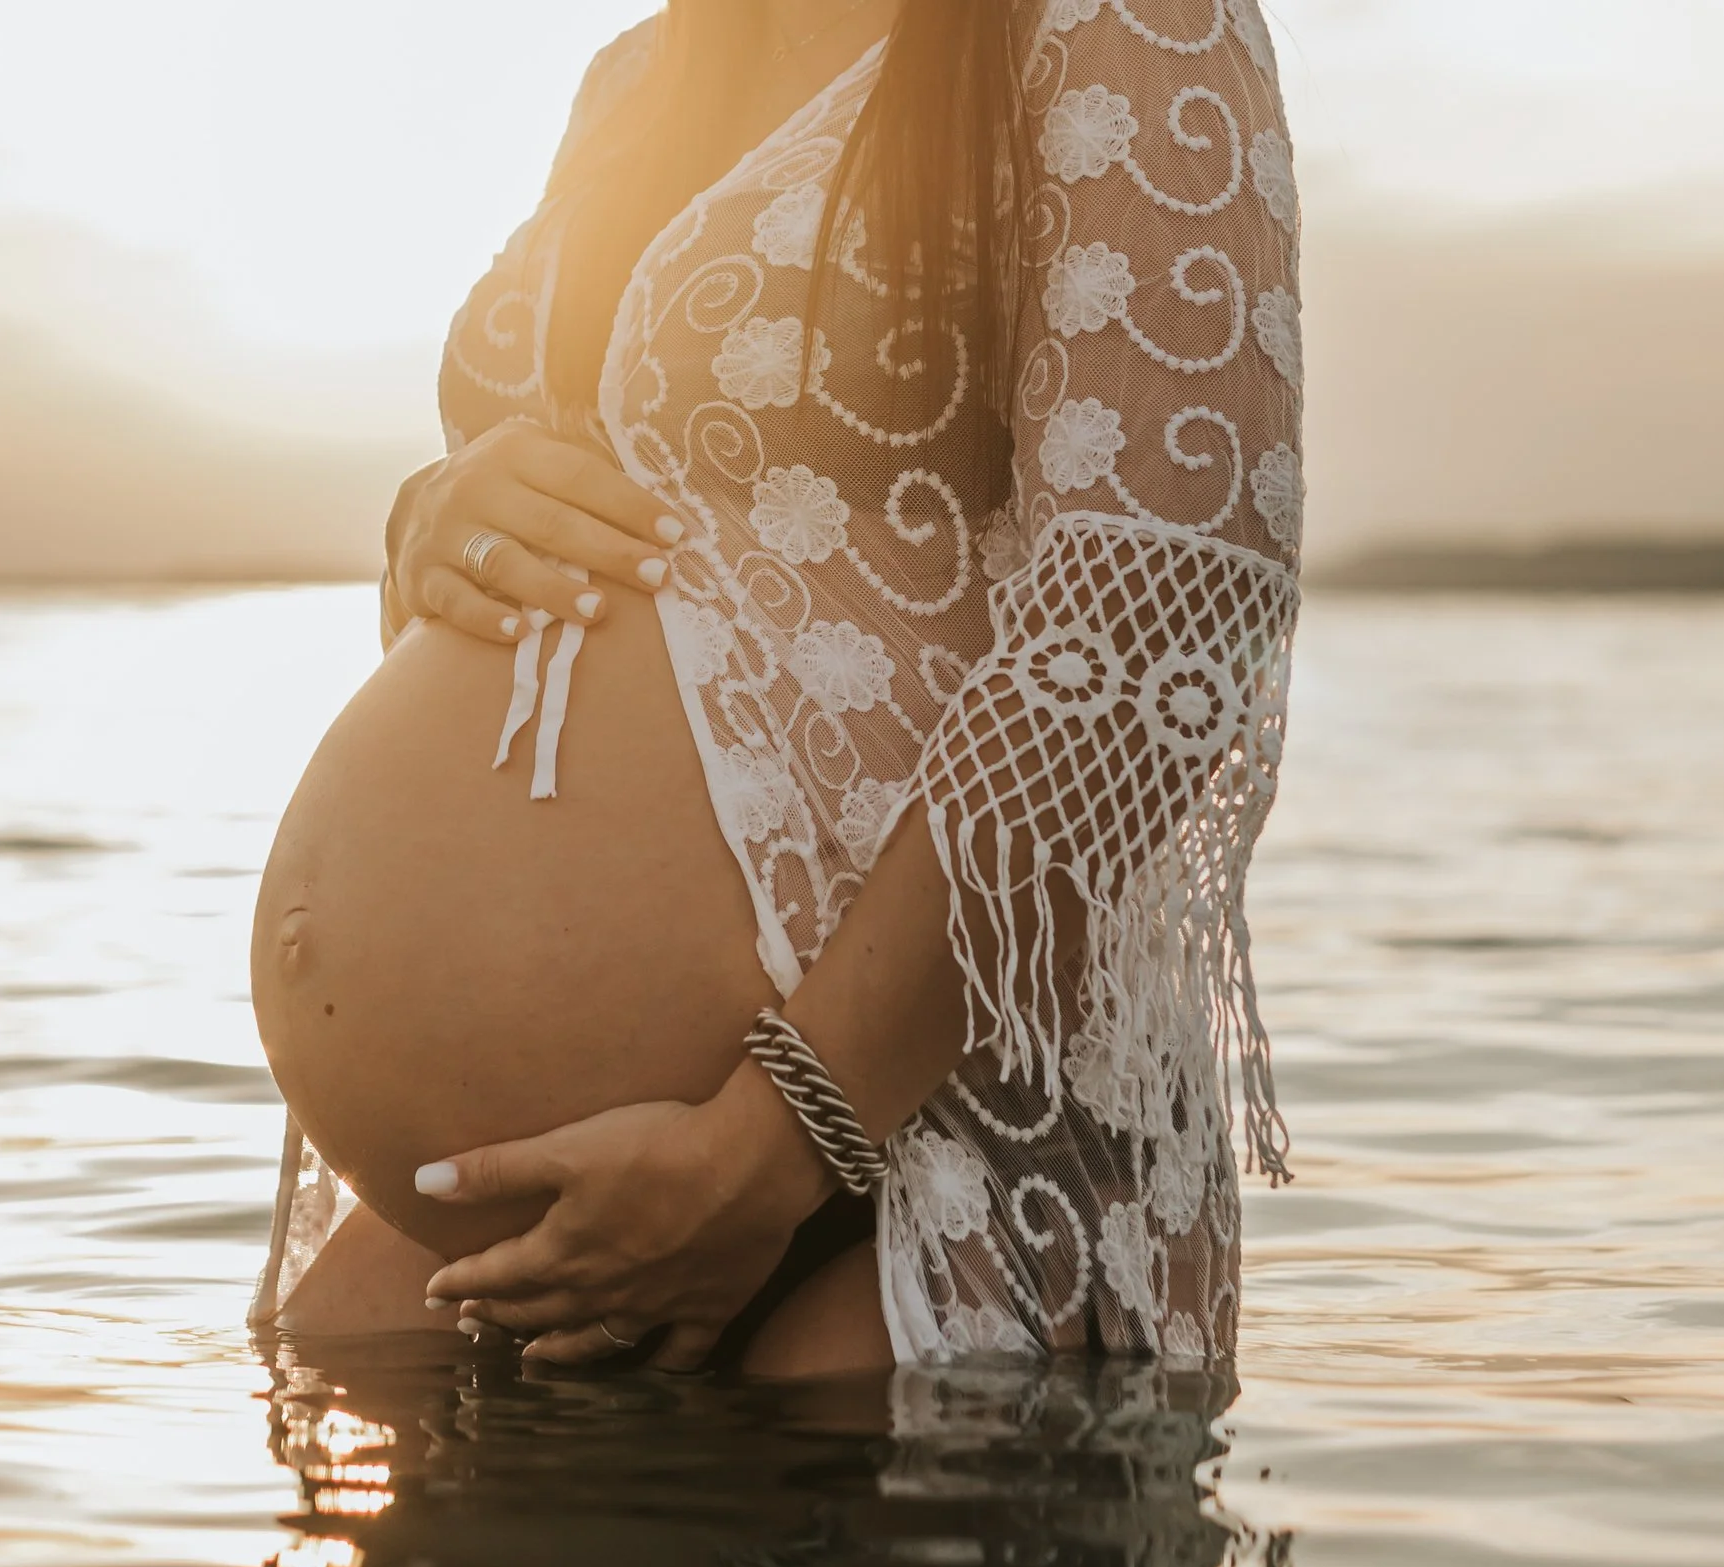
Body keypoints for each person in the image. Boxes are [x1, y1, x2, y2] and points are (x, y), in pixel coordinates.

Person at [248, 0, 1304, 1376]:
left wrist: (772, 1144)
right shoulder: (641, 76)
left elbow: (1161, 613)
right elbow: (586, 520)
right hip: (490, 1216)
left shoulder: (1112, 23)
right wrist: (437, 514)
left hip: (904, 1162)